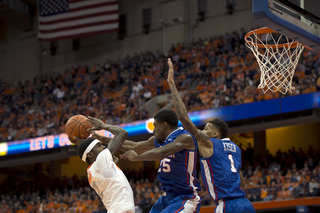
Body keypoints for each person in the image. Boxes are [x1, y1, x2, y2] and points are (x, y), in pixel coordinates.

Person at [166, 58, 256, 213]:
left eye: (207, 129)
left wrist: (172, 84)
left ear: (215, 133)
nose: (203, 131)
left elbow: (183, 117)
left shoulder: (209, 143)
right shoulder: (235, 148)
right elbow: (241, 180)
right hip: (246, 204)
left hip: (227, 205)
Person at [101, 109, 202, 213]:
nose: (153, 130)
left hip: (185, 197)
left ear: (164, 125)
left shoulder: (185, 137)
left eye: (155, 125)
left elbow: (161, 152)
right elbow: (134, 146)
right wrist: (102, 139)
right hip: (167, 198)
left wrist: (136, 158)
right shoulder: (161, 141)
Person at [72, 116, 135, 213]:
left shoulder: (93, 171)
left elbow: (114, 161)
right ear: (90, 154)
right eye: (99, 145)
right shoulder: (100, 162)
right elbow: (122, 133)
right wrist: (103, 126)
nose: (104, 147)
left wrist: (85, 144)